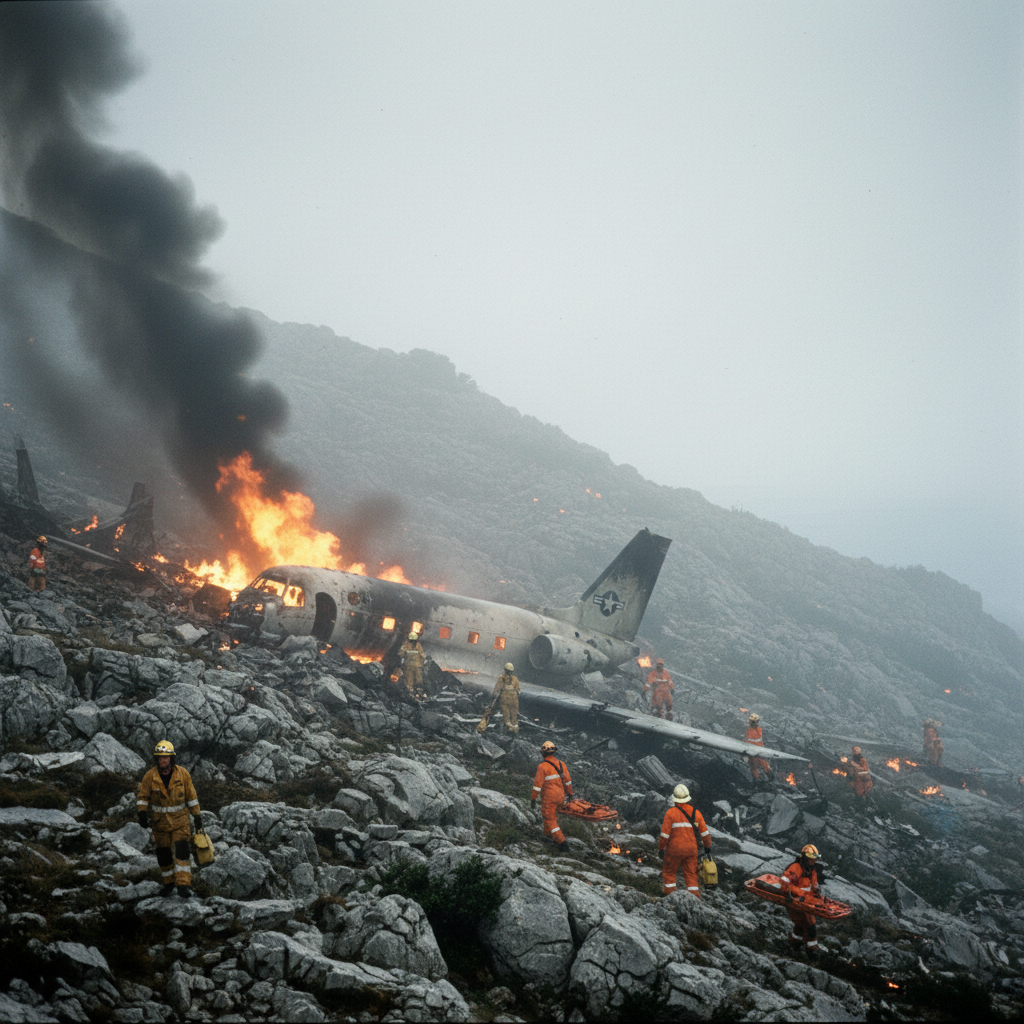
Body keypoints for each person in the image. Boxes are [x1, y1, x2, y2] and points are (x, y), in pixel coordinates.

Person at [137, 740, 203, 898]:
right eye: (160, 758)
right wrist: (141, 813)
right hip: (160, 824)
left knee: (182, 850)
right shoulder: (149, 776)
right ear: (156, 759)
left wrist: (198, 817)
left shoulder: (183, 774)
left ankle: (183, 885)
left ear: (171, 759)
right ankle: (168, 883)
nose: (163, 760)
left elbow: (192, 798)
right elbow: (143, 797)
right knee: (163, 854)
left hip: (180, 822)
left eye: (165, 757)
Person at [658, 783, 712, 898]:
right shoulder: (696, 813)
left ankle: (670, 897)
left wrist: (661, 848)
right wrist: (708, 847)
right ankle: (695, 899)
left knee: (669, 873)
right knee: (691, 875)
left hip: (674, 849)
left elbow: (664, 836)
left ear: (675, 799)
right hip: (692, 850)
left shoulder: (670, 813)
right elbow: (705, 834)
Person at [780, 844, 823, 958]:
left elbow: (814, 885)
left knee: (800, 924)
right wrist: (789, 895)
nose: (813, 861)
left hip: (805, 901)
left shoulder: (811, 870)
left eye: (814, 859)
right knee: (810, 925)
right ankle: (812, 950)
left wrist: (817, 891)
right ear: (805, 858)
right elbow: (784, 882)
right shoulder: (796, 868)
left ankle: (794, 944)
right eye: (811, 859)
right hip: (794, 900)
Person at [530, 740, 573, 844]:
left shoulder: (542, 766)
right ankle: (547, 836)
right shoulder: (561, 764)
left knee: (550, 819)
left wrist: (533, 798)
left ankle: (562, 842)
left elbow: (537, 785)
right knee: (549, 816)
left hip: (549, 798)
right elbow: (568, 781)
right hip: (560, 796)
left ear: (543, 753)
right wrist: (570, 794)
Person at [477, 663, 520, 734]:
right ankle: (515, 730)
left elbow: (496, 690)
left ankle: (481, 728)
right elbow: (518, 690)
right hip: (514, 699)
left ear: (505, 670)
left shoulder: (502, 678)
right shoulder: (515, 679)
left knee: (505, 716)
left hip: (504, 698)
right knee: (513, 716)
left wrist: (493, 698)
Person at [745, 712, 772, 782]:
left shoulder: (750, 731)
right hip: (760, 751)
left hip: (753, 752)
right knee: (764, 765)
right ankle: (770, 777)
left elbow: (749, 742)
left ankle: (757, 781)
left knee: (754, 768)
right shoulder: (759, 729)